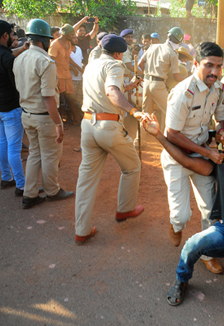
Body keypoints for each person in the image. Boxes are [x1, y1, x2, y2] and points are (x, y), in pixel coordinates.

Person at [141, 110, 224, 323]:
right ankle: (181, 281)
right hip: (223, 230)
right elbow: (186, 161)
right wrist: (158, 135)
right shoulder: (223, 168)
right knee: (192, 243)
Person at [162, 42, 224, 274]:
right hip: (178, 155)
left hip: (201, 155)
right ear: (195, 63)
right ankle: (175, 225)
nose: (214, 71)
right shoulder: (183, 92)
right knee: (181, 216)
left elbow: (220, 118)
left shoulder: (218, 88)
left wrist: (221, 132)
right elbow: (172, 134)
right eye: (209, 65)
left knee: (210, 210)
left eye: (218, 66)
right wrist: (208, 152)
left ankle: (207, 254)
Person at [74, 34, 145, 245]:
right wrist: (133, 111)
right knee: (132, 167)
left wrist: (129, 87)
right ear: (118, 53)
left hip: (87, 125)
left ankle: (81, 230)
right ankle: (124, 210)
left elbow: (106, 91)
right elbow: (112, 91)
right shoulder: (115, 65)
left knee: (86, 180)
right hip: (108, 126)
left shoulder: (91, 65)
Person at [13, 19, 74, 209]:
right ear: (44, 40)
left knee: (34, 154)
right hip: (44, 117)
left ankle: (29, 194)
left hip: (27, 114)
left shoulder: (19, 58)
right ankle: (52, 191)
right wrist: (58, 124)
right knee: (50, 155)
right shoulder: (46, 62)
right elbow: (48, 97)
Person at [0, 19, 27, 195]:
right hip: (11, 108)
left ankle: (6, 178)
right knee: (14, 148)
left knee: (3, 143)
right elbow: (17, 84)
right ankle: (22, 186)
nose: (14, 37)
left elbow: (7, 54)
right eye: (12, 34)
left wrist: (21, 49)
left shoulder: (2, 54)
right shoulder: (7, 58)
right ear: (5, 35)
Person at [135, 37, 182, 148]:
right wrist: (190, 78)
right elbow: (176, 77)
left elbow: (140, 64)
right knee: (170, 112)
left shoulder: (153, 46)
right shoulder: (172, 53)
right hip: (159, 84)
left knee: (145, 114)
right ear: (177, 42)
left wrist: (147, 73)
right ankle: (170, 140)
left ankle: (138, 141)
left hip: (146, 83)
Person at [49, 23, 83, 124]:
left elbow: (68, 59)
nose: (74, 36)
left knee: (71, 99)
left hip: (67, 75)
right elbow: (51, 61)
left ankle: (76, 120)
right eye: (72, 34)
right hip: (57, 76)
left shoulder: (68, 43)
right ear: (66, 35)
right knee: (57, 101)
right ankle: (58, 123)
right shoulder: (55, 44)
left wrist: (78, 67)